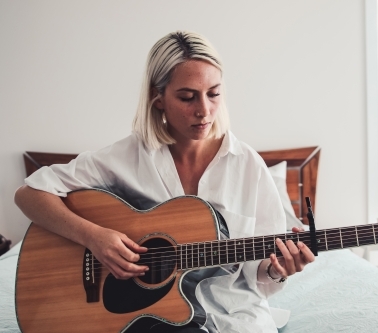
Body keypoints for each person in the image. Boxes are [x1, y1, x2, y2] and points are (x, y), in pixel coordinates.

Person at [14, 31, 314, 333]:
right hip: (146, 317)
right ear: (158, 98)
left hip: (232, 316)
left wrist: (278, 271)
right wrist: (94, 237)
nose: (204, 110)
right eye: (187, 97)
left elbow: (260, 271)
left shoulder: (248, 165)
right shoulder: (125, 158)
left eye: (214, 93)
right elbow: (29, 194)